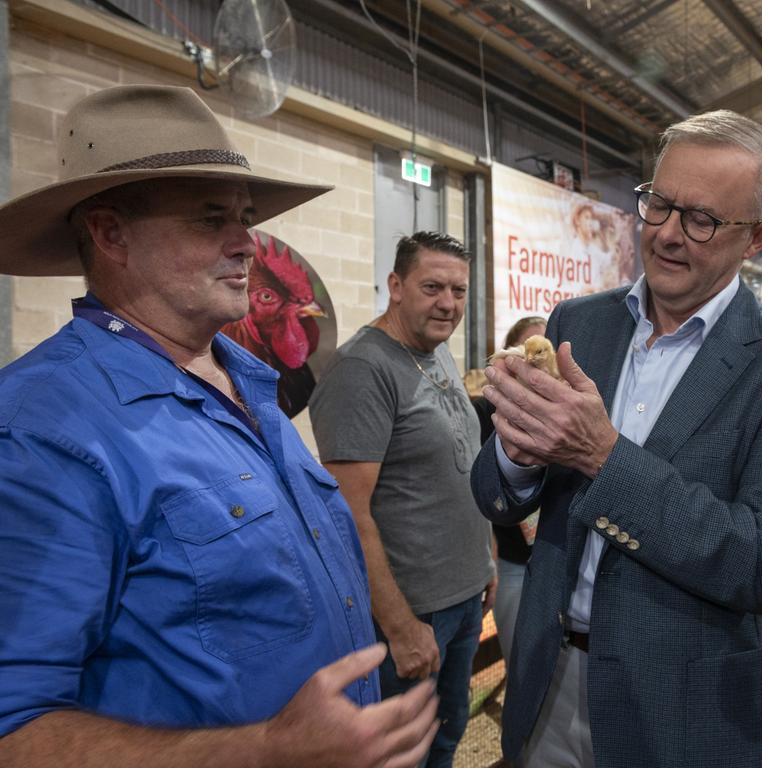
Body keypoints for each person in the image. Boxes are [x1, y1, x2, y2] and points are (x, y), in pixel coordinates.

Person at [0, 85, 437, 766]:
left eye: (246, 217)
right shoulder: (45, 430)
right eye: (212, 219)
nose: (248, 244)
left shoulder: (250, 382)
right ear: (110, 232)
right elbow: (15, 729)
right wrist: (265, 749)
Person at [472, 109, 762, 768]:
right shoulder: (578, 325)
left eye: (701, 219)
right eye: (659, 205)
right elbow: (495, 497)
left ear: (758, 237)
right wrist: (517, 451)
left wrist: (601, 455)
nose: (669, 235)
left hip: (683, 707)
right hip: (548, 679)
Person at [309, 231, 495, 768]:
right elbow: (346, 513)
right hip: (409, 615)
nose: (448, 304)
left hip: (460, 599)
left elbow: (459, 468)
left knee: (446, 735)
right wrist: (398, 625)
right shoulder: (362, 370)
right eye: (432, 287)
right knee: (401, 753)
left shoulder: (435, 353)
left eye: (458, 291)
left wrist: (483, 562)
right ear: (395, 285)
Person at [472, 315, 547, 661]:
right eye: (527, 350)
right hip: (512, 563)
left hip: (554, 562)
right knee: (521, 663)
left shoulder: (564, 415)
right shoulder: (486, 409)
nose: (536, 363)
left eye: (544, 350)